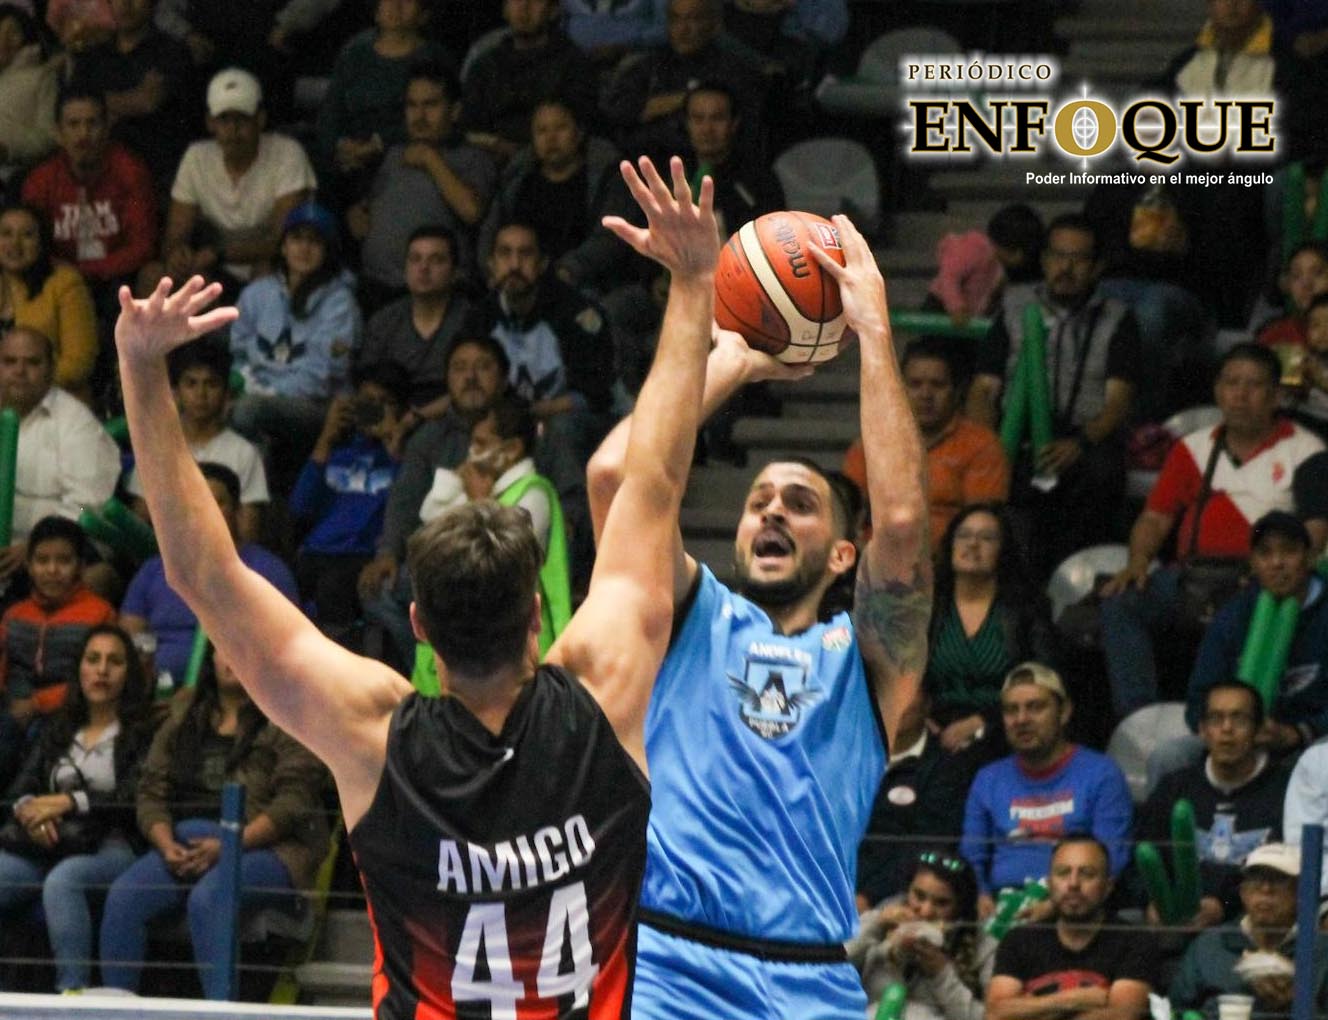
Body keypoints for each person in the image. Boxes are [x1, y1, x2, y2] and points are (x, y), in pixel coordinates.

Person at [112, 153, 722, 1016]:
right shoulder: (605, 690)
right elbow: (650, 480)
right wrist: (694, 283)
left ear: (419, 625)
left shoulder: (374, 735)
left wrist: (141, 367)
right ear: (538, 615)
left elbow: (202, 573)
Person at [587, 212, 931, 1017]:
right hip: (665, 964)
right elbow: (613, 474)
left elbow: (903, 523)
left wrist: (873, 332)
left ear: (843, 555)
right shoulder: (686, 615)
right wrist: (732, 360)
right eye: (758, 500)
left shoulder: (865, 658)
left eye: (800, 503)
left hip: (812, 979)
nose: (772, 511)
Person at [1100, 344, 1327, 720]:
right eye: (1231, 383)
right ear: (1217, 391)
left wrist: (1279, 571)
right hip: (1193, 577)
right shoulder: (1193, 447)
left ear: (1276, 395)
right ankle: (1139, 721)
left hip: (1257, 579)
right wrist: (1138, 561)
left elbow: (1316, 529)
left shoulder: (1305, 449)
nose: (1240, 395)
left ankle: (1248, 720)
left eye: (1253, 385)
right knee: (1121, 602)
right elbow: (1155, 518)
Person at [97, 644, 331, 999]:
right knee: (124, 896)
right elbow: (151, 790)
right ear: (211, 658)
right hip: (185, 844)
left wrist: (230, 845)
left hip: (269, 848)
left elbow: (294, 803)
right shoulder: (184, 713)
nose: (232, 655)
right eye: (224, 647)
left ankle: (220, 1010)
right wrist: (165, 844)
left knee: (208, 899)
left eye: (240, 647)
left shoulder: (288, 715)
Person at [967, 213, 1141, 581]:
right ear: (1044, 260)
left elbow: (1118, 403)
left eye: (1078, 259)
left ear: (1097, 267)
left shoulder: (1117, 318)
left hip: (1084, 440)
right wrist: (988, 445)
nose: (1066, 268)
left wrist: (1079, 443)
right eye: (1058, 256)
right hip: (1017, 434)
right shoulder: (1014, 306)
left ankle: (1075, 584)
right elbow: (983, 389)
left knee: (1101, 476)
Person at [0, 624, 153, 993]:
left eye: (114, 662)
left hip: (112, 843)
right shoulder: (60, 726)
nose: (102, 670)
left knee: (64, 881)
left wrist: (71, 801)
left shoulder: (142, 731)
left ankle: (72, 996)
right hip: (49, 839)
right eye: (93, 659)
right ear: (79, 668)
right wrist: (31, 815)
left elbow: (134, 798)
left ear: (128, 673)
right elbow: (20, 789)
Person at [356, 335, 508, 670]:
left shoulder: (521, 430)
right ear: (447, 380)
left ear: (504, 378)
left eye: (483, 367)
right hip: (437, 560)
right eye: (459, 369)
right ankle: (434, 670)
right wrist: (387, 553)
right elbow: (404, 501)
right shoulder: (429, 438)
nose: (470, 377)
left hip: (501, 559)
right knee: (378, 590)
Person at [411, 393, 570, 690]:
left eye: (481, 443)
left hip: (519, 647)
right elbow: (429, 535)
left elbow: (503, 564)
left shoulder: (534, 493)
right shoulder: (484, 489)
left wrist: (477, 502)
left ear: (512, 449)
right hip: (466, 638)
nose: (471, 452)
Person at [959, 664, 1133, 915]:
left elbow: (1111, 859)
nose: (1021, 720)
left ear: (1064, 712)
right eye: (1011, 710)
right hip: (1001, 907)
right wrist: (980, 895)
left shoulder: (1102, 774)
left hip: (1076, 907)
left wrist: (1054, 906)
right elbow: (971, 855)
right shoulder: (988, 778)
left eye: (1035, 707)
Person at [120, 462, 297, 689]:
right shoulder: (152, 570)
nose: (205, 510)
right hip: (156, 690)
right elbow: (131, 636)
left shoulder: (269, 572)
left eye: (217, 502)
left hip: (237, 692)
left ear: (237, 511)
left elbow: (286, 650)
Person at [228, 200, 362, 486]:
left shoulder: (340, 303)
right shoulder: (257, 293)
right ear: (284, 246)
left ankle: (258, 496)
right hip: (257, 393)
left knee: (249, 410)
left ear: (327, 250)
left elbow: (321, 377)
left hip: (317, 405)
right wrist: (243, 382)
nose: (304, 248)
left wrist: (267, 394)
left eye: (314, 241)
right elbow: (238, 350)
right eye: (297, 238)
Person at [1137, 680, 1291, 928]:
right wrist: (1153, 902)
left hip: (1250, 921)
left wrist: (1224, 906)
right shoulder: (1174, 787)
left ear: (1259, 729)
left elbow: (1288, 876)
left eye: (1239, 719)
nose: (1226, 728)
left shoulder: (1286, 791)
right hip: (1171, 920)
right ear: (1202, 730)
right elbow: (1139, 859)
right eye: (1216, 718)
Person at [1183, 510, 1328, 757]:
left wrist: (1299, 732)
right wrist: (1225, 730)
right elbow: (1198, 699)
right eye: (1265, 553)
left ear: (1308, 558)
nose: (1277, 563)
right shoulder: (1232, 617)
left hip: (1310, 740)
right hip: (1237, 741)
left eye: (1289, 551)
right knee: (1170, 757)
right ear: (1253, 563)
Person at [844, 336, 1010, 549]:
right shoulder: (871, 444)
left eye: (938, 385)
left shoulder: (982, 446)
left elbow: (981, 526)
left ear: (957, 391)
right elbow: (847, 510)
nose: (926, 394)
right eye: (915, 384)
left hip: (948, 561)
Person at [922, 504, 1056, 766]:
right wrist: (917, 719)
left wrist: (981, 722)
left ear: (1003, 551)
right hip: (933, 729)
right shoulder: (928, 605)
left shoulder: (1026, 609)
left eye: (986, 538)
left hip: (1006, 728)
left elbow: (1044, 679)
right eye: (964, 535)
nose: (972, 544)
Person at [350, 61, 495, 302]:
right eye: (412, 105)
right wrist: (358, 213)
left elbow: (471, 211)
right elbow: (371, 207)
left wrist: (430, 159)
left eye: (431, 105)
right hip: (375, 286)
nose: (419, 116)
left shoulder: (472, 158)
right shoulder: (395, 154)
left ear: (454, 111)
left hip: (438, 292)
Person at [160, 67, 316, 290]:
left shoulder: (288, 153)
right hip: (215, 265)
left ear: (260, 119)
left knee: (264, 278)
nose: (233, 129)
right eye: (224, 119)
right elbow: (175, 235)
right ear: (210, 122)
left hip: (271, 263)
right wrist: (178, 254)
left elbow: (284, 239)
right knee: (160, 277)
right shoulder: (196, 157)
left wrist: (220, 254)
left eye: (242, 119)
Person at [289, 360, 408, 640]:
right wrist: (325, 439)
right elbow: (299, 507)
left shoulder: (405, 458)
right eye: (367, 401)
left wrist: (395, 449)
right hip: (316, 551)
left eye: (384, 402)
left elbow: (404, 508)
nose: (374, 409)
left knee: (333, 587)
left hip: (359, 555)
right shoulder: (337, 452)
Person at [478, 96, 638, 299]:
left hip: (585, 283)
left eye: (560, 128)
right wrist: (491, 267)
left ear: (579, 133)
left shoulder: (603, 176)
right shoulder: (517, 178)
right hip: (517, 276)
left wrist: (567, 271)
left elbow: (610, 237)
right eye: (542, 131)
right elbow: (491, 229)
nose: (551, 138)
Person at [20, 84, 157, 318]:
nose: (83, 134)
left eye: (92, 123)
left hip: (120, 279)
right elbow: (32, 247)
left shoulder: (129, 170)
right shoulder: (41, 181)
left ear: (106, 127)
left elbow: (142, 246)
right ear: (58, 132)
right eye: (73, 124)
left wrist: (88, 270)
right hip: (59, 280)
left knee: (153, 273)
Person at [985, 835, 1155, 1020]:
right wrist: (1075, 999)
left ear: (1108, 886)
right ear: (1049, 884)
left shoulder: (1134, 940)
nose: (1073, 884)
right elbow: (995, 1014)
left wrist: (1030, 1009)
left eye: (1087, 874)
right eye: (1063, 873)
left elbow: (1121, 1015)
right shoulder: (1018, 940)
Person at [124, 337, 268, 544]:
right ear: (175, 394)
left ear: (226, 394)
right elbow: (140, 525)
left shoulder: (244, 453)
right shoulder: (155, 451)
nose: (201, 394)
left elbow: (248, 535)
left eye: (211, 384)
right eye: (191, 384)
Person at [0, 326, 120, 574]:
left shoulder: (76, 423)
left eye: (32, 362)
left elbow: (89, 507)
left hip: (66, 550)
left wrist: (35, 545)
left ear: (52, 368)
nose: (19, 371)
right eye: (10, 362)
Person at [315, 0, 456, 205]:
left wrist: (377, 145)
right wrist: (340, 145)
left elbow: (436, 121)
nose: (395, 5)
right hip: (348, 160)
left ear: (424, 14)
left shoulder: (435, 58)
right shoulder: (355, 51)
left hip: (404, 156)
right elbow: (330, 112)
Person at [1169, 842, 1328, 1016]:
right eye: (1256, 879)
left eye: (1279, 880)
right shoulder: (1209, 946)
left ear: (1301, 893)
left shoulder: (1321, 952)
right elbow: (1175, 1011)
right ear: (1243, 893)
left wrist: (1297, 1002)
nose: (1266, 889)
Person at [1, 517, 117, 735]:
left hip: (66, 712)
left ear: (81, 566)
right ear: (29, 566)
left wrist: (37, 703)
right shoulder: (14, 615)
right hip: (11, 708)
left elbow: (97, 678)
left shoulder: (99, 614)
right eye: (42, 561)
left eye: (64, 561)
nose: (52, 570)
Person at [847, 851, 997, 1020]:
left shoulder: (983, 947)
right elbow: (832, 965)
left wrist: (941, 973)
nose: (926, 911)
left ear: (960, 907)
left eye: (942, 903)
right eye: (919, 896)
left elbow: (989, 1016)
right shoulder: (877, 922)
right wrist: (877, 924)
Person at [67, 0, 194, 188]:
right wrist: (131, 100)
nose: (125, 4)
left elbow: (148, 102)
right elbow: (76, 106)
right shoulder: (92, 56)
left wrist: (100, 103)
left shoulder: (172, 51)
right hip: (101, 174)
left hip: (157, 174)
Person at [357, 225, 479, 421]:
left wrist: (416, 419)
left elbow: (476, 387)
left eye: (436, 260)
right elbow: (367, 387)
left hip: (452, 417)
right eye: (415, 259)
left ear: (455, 272)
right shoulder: (383, 320)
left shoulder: (472, 320)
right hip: (389, 415)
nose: (423, 268)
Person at [459, 0, 597, 162]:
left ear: (553, 10)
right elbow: (468, 126)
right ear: (505, 9)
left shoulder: (573, 64)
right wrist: (493, 144)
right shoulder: (485, 66)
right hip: (489, 159)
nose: (524, 6)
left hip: (554, 160)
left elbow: (582, 126)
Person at [0, 205, 100, 402]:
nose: (15, 244)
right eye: (6, 234)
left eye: (27, 235)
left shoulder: (65, 284)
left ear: (41, 242)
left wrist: (16, 388)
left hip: (54, 402)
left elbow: (79, 363)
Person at [679, 81, 784, 240]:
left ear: (734, 123)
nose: (707, 129)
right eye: (698, 118)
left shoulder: (759, 180)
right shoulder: (671, 173)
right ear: (687, 123)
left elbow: (775, 239)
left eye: (717, 118)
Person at [0, 4, 59, 183]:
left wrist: (7, 149)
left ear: (26, 37)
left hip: (15, 176)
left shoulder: (42, 77)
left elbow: (50, 137)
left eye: (13, 32)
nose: (3, 39)